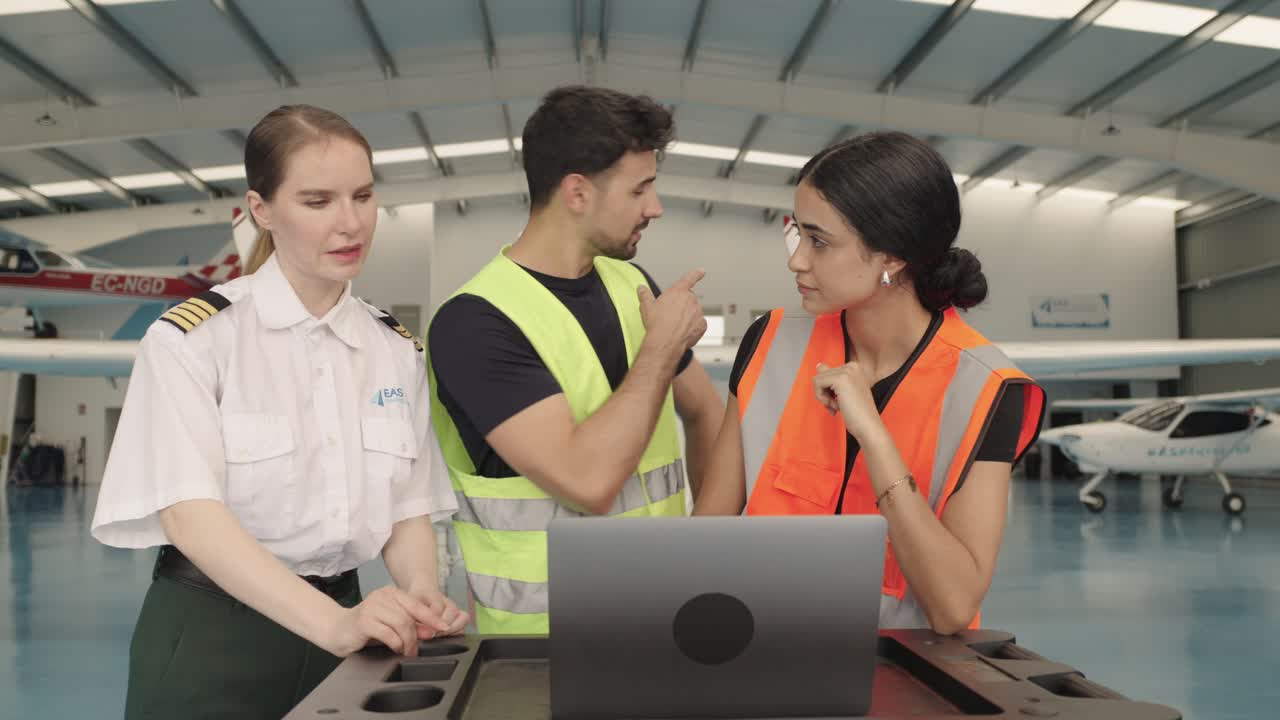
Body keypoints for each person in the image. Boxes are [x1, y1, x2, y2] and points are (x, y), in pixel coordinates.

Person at [90, 104, 469, 720]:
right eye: (317, 202)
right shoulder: (194, 340)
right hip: (214, 634)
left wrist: (421, 595)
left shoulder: (394, 348)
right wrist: (336, 626)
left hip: (350, 634)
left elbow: (407, 509)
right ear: (261, 210)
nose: (351, 223)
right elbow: (191, 516)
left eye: (364, 196)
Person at [693, 131, 1046, 634]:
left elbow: (953, 607)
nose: (796, 260)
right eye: (796, 234)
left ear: (893, 258)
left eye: (819, 241)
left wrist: (876, 440)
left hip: (904, 685)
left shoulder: (987, 387)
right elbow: (707, 538)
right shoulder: (769, 342)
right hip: (761, 660)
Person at [427, 85, 724, 634]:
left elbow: (709, 414)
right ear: (578, 192)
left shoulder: (632, 283)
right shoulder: (474, 323)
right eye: (640, 190)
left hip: (669, 620)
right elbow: (587, 480)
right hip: (542, 649)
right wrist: (660, 349)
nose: (654, 208)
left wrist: (704, 543)